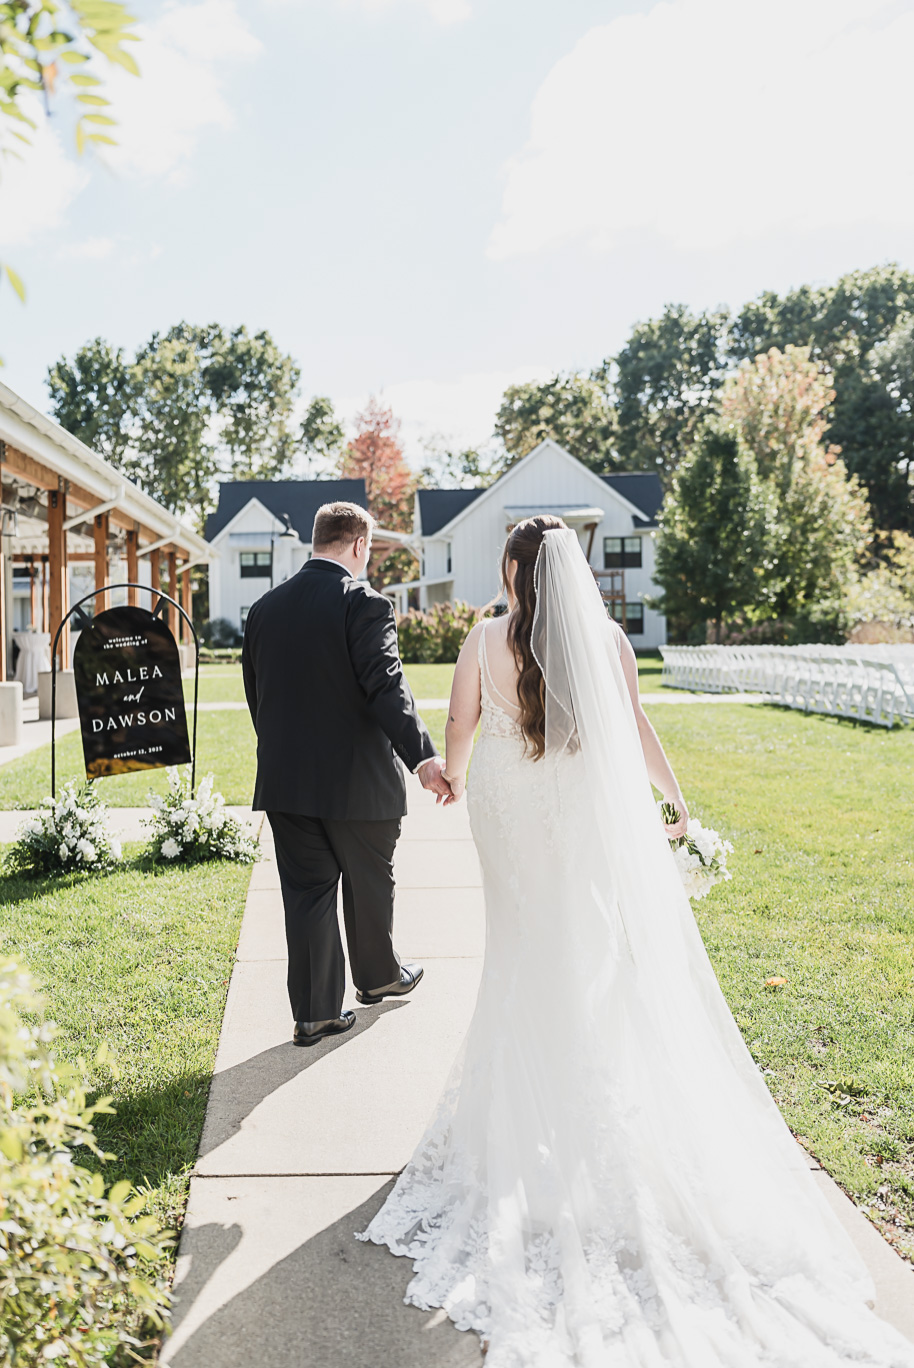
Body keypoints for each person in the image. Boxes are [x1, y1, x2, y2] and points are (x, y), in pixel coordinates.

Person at [359, 516, 914, 1367]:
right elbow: (635, 726)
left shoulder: (480, 636)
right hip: (573, 808)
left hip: (507, 809)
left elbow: (461, 722)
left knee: (519, 953)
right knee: (585, 953)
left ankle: (531, 1113)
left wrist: (453, 773)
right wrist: (675, 799)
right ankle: (589, 1089)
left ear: (512, 570)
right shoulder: (606, 637)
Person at [241, 501, 452, 1047]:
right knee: (369, 880)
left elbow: (256, 696)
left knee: (308, 894)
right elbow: (386, 685)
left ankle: (315, 1013)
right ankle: (379, 976)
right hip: (358, 782)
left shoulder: (264, 609)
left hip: (286, 782)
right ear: (359, 545)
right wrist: (424, 758)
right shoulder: (367, 603)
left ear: (317, 540)